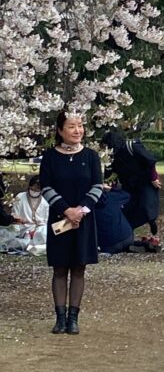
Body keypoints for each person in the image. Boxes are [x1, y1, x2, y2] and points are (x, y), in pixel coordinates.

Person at [40, 111, 103, 334]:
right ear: (60, 131)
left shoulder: (91, 157)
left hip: (83, 220)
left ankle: (73, 318)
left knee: (78, 268)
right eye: (71, 126)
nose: (78, 131)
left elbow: (97, 187)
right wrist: (66, 210)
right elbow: (46, 187)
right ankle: (59, 317)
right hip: (59, 219)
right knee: (59, 269)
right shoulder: (49, 157)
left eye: (80, 126)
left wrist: (80, 211)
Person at [101, 130, 160, 246]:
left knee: (146, 206)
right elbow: (111, 174)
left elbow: (150, 161)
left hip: (144, 181)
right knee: (128, 208)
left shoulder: (131, 146)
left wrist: (153, 178)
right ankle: (128, 234)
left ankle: (152, 222)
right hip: (128, 183)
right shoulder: (112, 157)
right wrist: (110, 187)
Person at [10, 176, 49, 254]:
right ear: (29, 187)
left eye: (37, 190)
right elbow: (14, 215)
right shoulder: (20, 197)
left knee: (44, 232)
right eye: (32, 189)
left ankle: (35, 246)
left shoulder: (45, 200)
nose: (34, 191)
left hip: (39, 230)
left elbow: (46, 220)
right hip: (24, 229)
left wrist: (36, 230)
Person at [95, 186, 134, 254]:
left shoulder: (88, 206)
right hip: (127, 236)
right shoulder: (111, 196)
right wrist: (111, 189)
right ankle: (139, 245)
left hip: (110, 245)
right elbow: (126, 195)